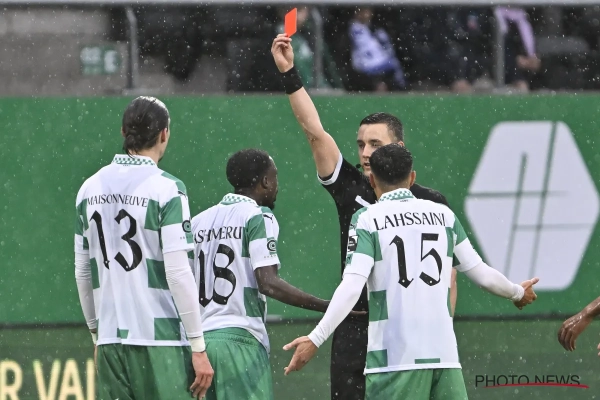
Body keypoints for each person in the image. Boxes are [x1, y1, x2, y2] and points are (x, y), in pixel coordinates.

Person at [271, 33, 458, 400]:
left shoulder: (431, 203)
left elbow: (449, 278)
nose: (366, 152)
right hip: (354, 327)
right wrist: (289, 73)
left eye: (375, 144)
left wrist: (442, 327)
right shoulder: (350, 187)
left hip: (408, 329)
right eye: (361, 144)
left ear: (399, 148)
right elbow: (315, 133)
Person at [283, 143, 540, 399]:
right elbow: (481, 273)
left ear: (372, 180)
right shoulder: (444, 216)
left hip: (394, 362)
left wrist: (316, 338)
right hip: (444, 360)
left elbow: (352, 286)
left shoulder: (367, 219)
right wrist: (517, 292)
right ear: (412, 177)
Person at [74, 96, 213, 399]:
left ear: (123, 132)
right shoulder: (168, 189)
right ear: (164, 134)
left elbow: (83, 272)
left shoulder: (88, 189)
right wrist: (198, 346)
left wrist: (97, 335)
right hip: (160, 341)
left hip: (110, 341)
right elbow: (178, 273)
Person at [192, 148, 356, 400]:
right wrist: (329, 306)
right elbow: (268, 283)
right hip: (241, 342)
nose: (277, 185)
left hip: (200, 347)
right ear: (265, 181)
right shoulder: (259, 216)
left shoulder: (197, 223)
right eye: (275, 176)